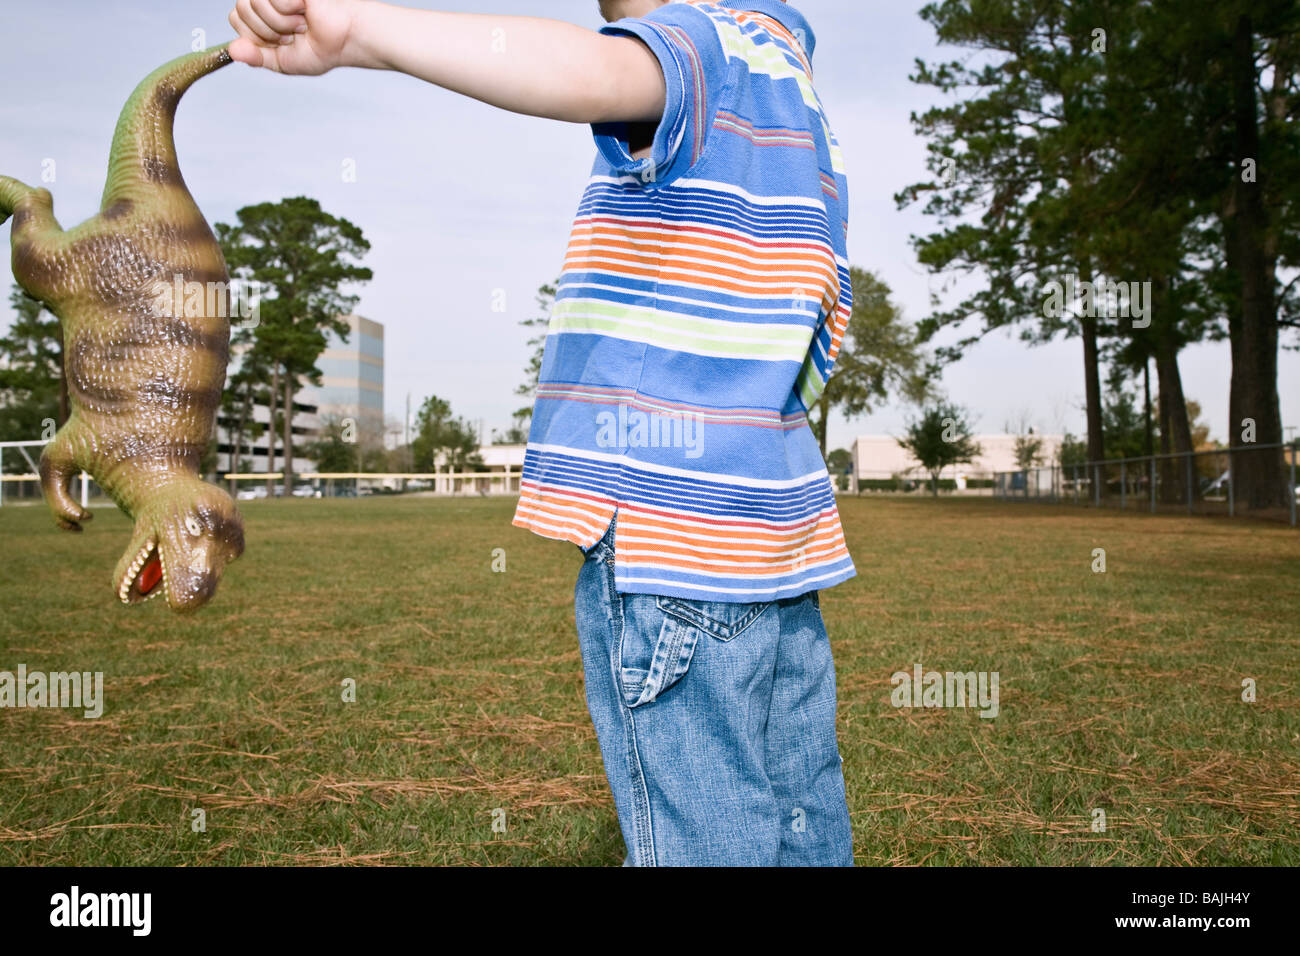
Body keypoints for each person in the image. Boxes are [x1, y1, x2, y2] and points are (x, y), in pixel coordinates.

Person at [228, 0, 855, 866]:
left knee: (706, 839)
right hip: (774, 533)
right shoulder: (788, 75)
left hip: (670, 538)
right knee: (798, 815)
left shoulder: (703, 46)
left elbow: (587, 70)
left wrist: (358, 30)